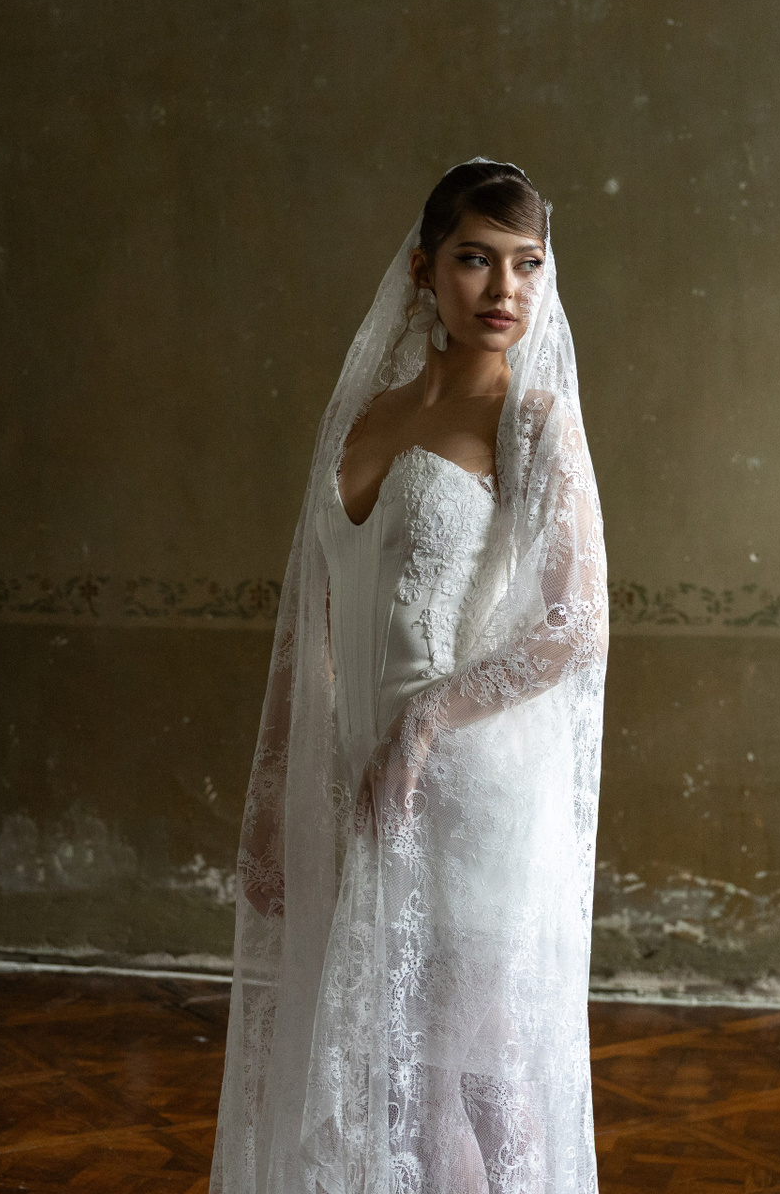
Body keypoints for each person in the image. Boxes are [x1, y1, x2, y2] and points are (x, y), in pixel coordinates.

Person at [213, 160, 609, 1193]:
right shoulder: (363, 416)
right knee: (394, 1087)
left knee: (482, 1075)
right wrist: (272, 802)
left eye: (528, 263)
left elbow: (573, 624)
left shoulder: (532, 418)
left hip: (468, 781)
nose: (505, 289)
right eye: (477, 259)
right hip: (354, 778)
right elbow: (310, 633)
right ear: (425, 269)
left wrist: (427, 723)